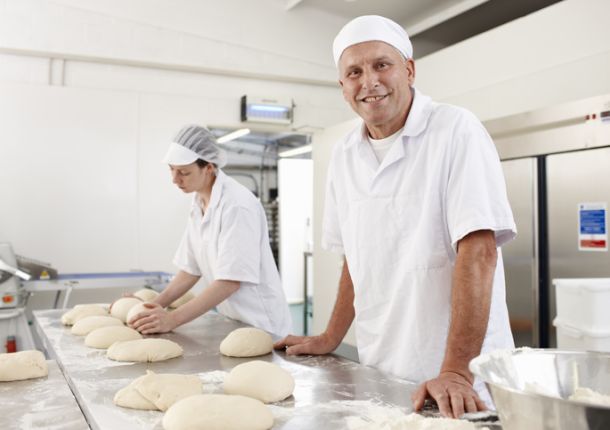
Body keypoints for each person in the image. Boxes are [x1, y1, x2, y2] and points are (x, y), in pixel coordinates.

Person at [274, 15, 516, 418]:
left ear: (409, 69)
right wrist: (332, 335)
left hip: (459, 381)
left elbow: (479, 251)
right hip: (382, 367)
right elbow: (355, 255)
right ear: (342, 86)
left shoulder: (456, 130)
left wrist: (456, 372)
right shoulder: (345, 155)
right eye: (354, 72)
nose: (368, 81)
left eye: (381, 65)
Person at [129, 125, 292, 337]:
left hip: (262, 324)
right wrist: (152, 306)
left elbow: (230, 282)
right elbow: (191, 269)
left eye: (184, 172)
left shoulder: (237, 206)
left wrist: (172, 319)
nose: (175, 179)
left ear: (208, 168)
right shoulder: (199, 202)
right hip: (235, 321)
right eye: (171, 169)